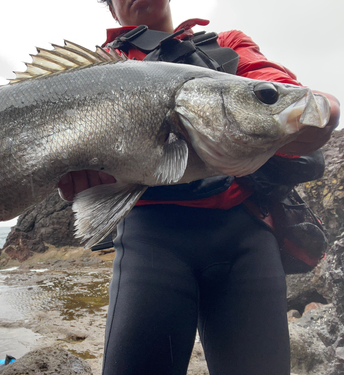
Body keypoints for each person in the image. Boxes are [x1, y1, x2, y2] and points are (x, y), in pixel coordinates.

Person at [58, 1, 341, 374]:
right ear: (112, 11)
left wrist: (318, 113)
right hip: (150, 242)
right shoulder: (95, 68)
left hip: (246, 237)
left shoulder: (225, 44)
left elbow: (297, 101)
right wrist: (74, 183)